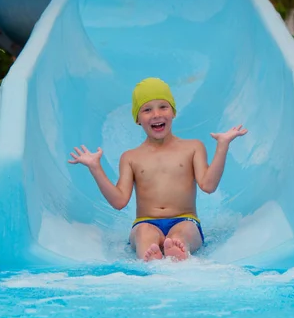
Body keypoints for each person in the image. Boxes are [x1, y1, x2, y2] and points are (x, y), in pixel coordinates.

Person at [68, 77, 247, 262]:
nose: (156, 114)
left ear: (173, 112)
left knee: (180, 235)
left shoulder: (193, 147)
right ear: (137, 118)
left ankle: (177, 250)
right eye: (147, 110)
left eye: (163, 106)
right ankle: (153, 257)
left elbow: (208, 185)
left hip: (185, 219)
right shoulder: (131, 157)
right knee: (145, 233)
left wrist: (222, 146)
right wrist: (95, 168)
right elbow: (119, 201)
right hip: (145, 222)